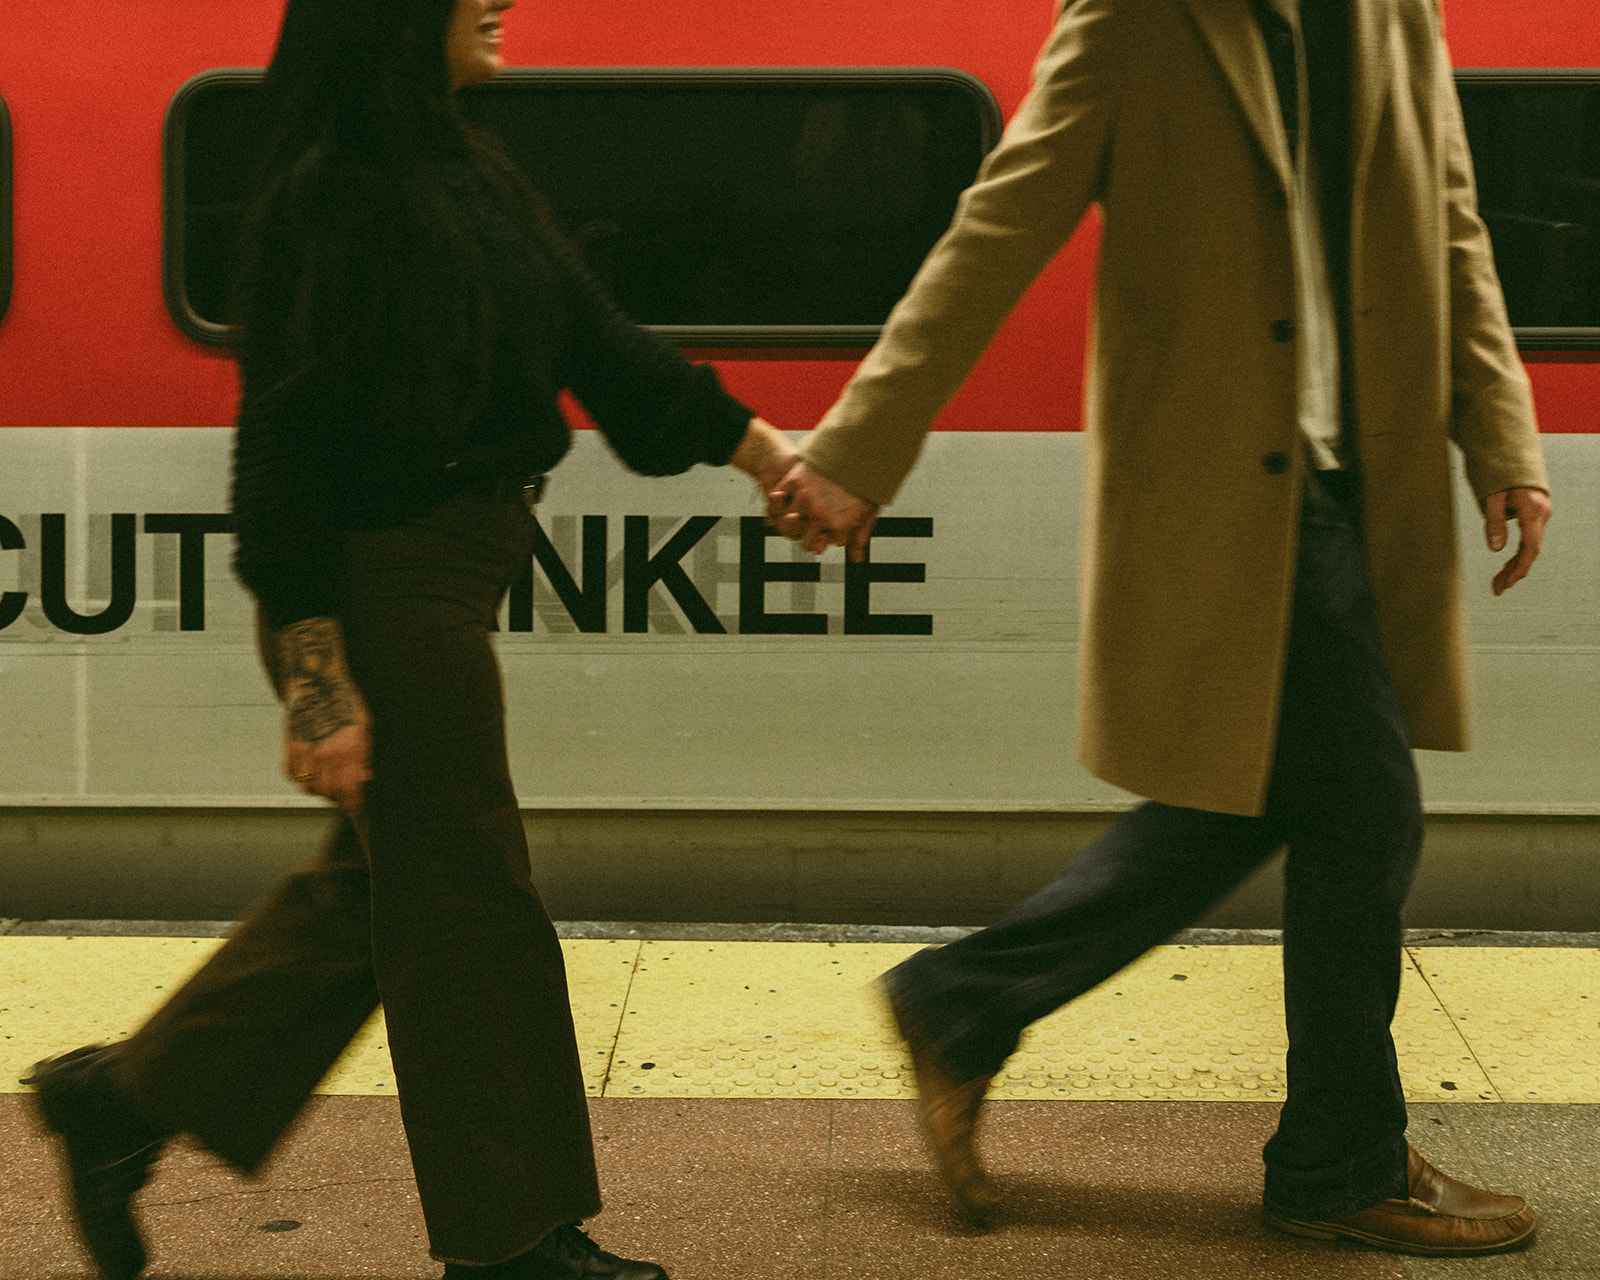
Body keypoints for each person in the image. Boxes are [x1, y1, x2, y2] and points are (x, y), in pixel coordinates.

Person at [22, 1, 798, 1277]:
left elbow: (598, 344)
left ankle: (116, 1102)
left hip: (441, 568)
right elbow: (277, 439)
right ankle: (513, 1243)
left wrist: (766, 452)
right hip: (373, 579)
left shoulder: (462, 168)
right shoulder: (329, 194)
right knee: (469, 896)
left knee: (385, 888)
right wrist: (319, 677)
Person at [769, 0, 1551, 1258]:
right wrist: (863, 445)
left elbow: (1450, 222)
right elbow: (1002, 220)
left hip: (1359, 480)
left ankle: (962, 1000)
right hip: (1224, 494)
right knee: (1365, 809)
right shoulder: (1140, 18)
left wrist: (1501, 434)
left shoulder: (1397, 11)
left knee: (1245, 796)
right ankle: (1335, 1160)